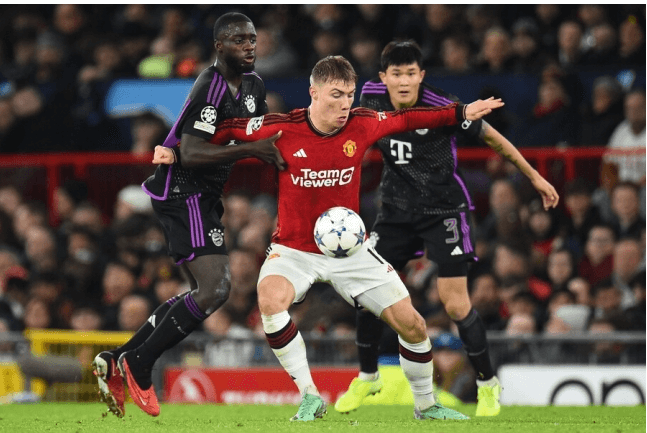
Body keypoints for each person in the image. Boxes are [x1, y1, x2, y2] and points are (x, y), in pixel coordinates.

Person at [155, 55, 503, 421]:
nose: (345, 104)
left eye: (350, 95)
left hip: (351, 251)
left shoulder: (362, 123)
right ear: (314, 92)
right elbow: (227, 128)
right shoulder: (281, 128)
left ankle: (426, 405)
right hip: (294, 249)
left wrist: (461, 112)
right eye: (336, 95)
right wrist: (176, 151)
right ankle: (310, 396)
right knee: (270, 301)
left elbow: (408, 118)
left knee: (414, 326)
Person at [332, 41, 559, 417]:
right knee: (367, 294)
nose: (404, 82)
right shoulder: (369, 96)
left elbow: (492, 137)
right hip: (396, 210)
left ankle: (488, 384)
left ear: (421, 75)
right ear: (383, 78)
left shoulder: (443, 105)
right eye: (396, 74)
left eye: (411, 73)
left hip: (444, 211)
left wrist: (534, 176)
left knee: (455, 303)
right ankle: (368, 377)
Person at [91, 12, 285, 418]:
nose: (248, 46)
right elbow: (193, 151)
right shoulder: (209, 85)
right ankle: (140, 364)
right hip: (183, 189)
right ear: (219, 46)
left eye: (252, 39)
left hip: (205, 194)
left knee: (204, 290)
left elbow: (259, 129)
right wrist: (253, 150)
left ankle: (120, 357)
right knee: (215, 288)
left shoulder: (254, 84)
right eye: (238, 39)